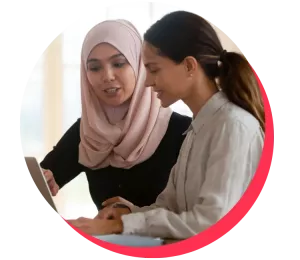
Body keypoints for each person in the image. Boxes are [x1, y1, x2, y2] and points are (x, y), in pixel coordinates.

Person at [67, 11, 265, 240]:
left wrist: (119, 227)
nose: (148, 81)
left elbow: (212, 224)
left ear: (189, 66)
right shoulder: (197, 130)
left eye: (154, 69)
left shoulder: (233, 126)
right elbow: (170, 208)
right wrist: (128, 214)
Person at [40, 19, 192, 212]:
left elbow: (200, 215)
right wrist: (46, 179)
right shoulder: (88, 131)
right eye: (95, 68)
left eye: (119, 63)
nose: (107, 76)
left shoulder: (185, 131)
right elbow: (44, 176)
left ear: (140, 65)